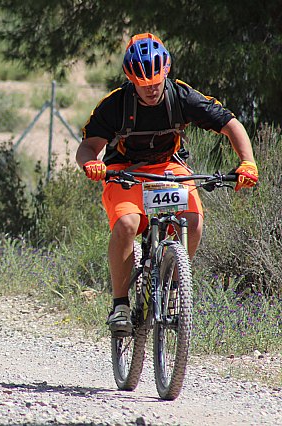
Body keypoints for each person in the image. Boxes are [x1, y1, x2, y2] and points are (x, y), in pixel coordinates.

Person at [76, 33, 258, 336]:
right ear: (130, 78)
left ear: (167, 72)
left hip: (169, 167)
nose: (150, 90)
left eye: (156, 83)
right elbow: (88, 146)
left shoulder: (182, 96)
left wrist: (247, 161)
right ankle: (120, 305)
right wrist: (92, 163)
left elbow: (230, 124)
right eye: (142, 85)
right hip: (125, 171)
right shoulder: (115, 105)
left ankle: (175, 287)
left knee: (193, 221)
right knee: (127, 223)